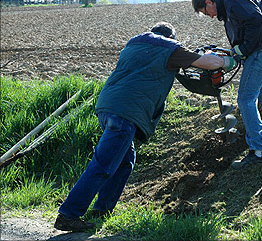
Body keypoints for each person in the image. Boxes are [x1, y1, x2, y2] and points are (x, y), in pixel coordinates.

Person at [54, 22, 235, 232]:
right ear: (171, 37)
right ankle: (68, 214)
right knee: (103, 165)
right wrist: (227, 61)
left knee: (125, 160)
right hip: (127, 113)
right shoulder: (170, 48)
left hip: (107, 107)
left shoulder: (133, 44)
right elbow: (207, 62)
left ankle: (102, 209)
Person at [192, 0, 262, 170]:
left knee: (245, 98)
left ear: (209, 2)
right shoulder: (230, 5)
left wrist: (243, 49)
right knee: (252, 71)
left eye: (205, 11)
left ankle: (259, 151)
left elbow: (256, 21)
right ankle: (261, 112)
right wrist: (237, 51)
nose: (209, 16)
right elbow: (247, 30)